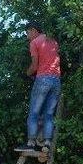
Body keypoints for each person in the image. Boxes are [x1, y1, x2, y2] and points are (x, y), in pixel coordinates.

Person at [22, 21, 61, 152]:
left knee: (34, 112)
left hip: (43, 79)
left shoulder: (34, 43)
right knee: (49, 114)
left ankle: (31, 143)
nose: (27, 36)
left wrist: (26, 74)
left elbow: (34, 66)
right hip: (56, 81)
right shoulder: (53, 41)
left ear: (33, 30)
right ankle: (47, 142)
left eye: (27, 32)